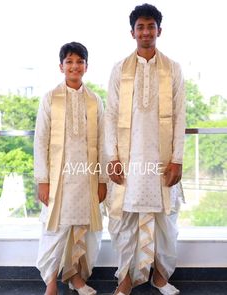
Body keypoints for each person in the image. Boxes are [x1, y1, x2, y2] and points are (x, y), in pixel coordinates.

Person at [104, 3, 185, 295]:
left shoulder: (173, 69)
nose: (146, 31)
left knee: (165, 218)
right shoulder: (119, 69)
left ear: (159, 31)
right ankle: (125, 278)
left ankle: (160, 276)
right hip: (129, 159)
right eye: (141, 27)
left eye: (151, 26)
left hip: (162, 159)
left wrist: (177, 159)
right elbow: (111, 115)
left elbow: (179, 116)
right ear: (132, 32)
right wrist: (112, 157)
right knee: (126, 220)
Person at [34, 42, 107, 295]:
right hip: (58, 178)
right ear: (61, 66)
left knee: (81, 229)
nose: (74, 66)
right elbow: (40, 140)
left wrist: (102, 180)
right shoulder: (50, 98)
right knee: (55, 228)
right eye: (69, 62)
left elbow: (102, 143)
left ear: (86, 66)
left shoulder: (95, 101)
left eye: (79, 61)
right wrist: (43, 180)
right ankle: (51, 282)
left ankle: (75, 276)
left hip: (86, 177)